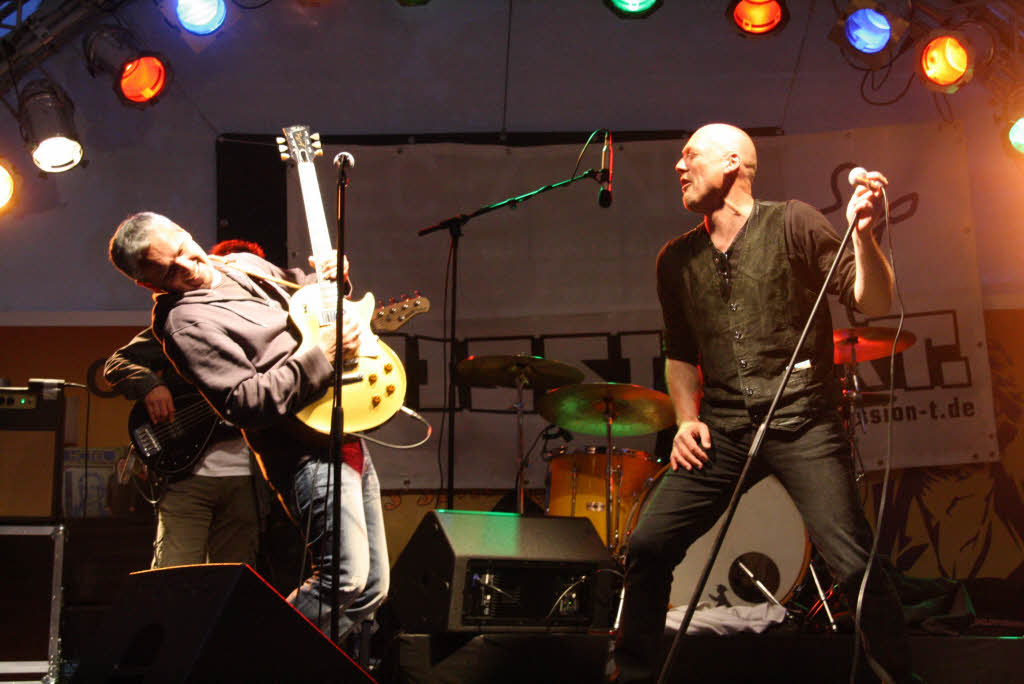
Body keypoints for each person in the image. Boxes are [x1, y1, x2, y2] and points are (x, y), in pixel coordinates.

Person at [615, 124, 913, 683]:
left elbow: (872, 298)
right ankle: (632, 673)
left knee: (854, 562)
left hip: (805, 422)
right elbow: (679, 353)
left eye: (689, 156)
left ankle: (899, 676)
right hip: (724, 430)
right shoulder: (674, 260)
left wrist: (865, 237)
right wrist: (685, 420)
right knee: (650, 544)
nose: (679, 167)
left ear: (733, 162)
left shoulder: (795, 221)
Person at [107, 212, 388, 642]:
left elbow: (308, 298)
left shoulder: (242, 264)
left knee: (371, 590)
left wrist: (333, 279)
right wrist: (322, 356)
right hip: (301, 450)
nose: (188, 267)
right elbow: (245, 402)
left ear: (187, 232)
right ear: (149, 283)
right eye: (168, 270)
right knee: (344, 579)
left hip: (342, 428)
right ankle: (236, 661)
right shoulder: (185, 324)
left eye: (184, 250)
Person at [103, 240, 270, 568]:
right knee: (173, 579)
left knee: (233, 587)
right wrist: (151, 386)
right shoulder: (183, 321)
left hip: (248, 481)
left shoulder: (270, 325)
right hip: (186, 476)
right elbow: (117, 363)